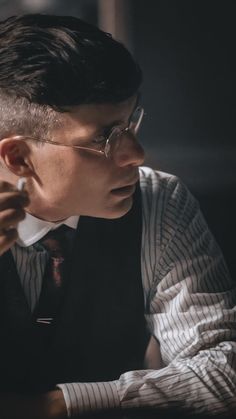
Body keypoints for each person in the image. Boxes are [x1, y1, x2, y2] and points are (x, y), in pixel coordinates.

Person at [0, 13, 235, 419]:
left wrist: (51, 407)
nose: (136, 154)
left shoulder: (160, 200)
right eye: (103, 137)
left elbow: (223, 372)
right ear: (19, 157)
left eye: (129, 124)